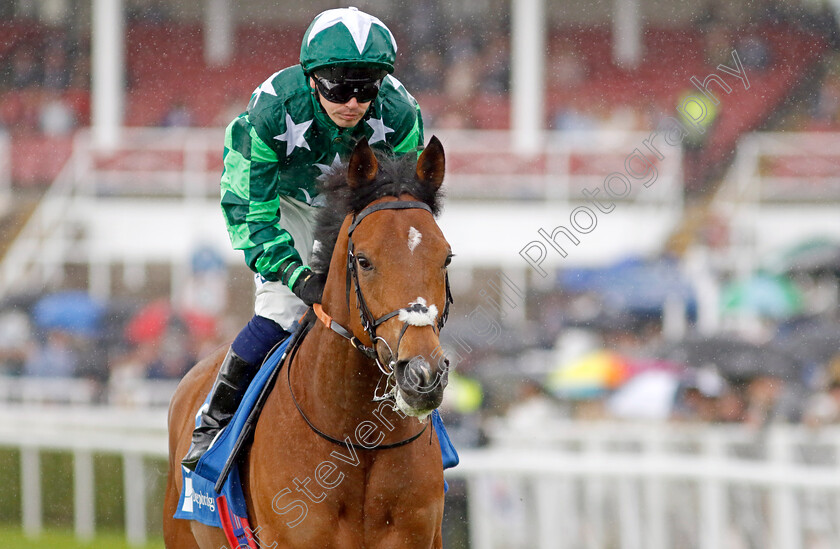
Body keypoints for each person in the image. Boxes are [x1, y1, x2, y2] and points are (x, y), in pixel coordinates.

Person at [183, 7, 425, 469]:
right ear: (312, 78)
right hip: (283, 204)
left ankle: (419, 406)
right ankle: (213, 420)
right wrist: (298, 277)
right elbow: (250, 212)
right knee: (282, 310)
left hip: (357, 205)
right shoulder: (271, 111)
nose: (352, 102)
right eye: (339, 86)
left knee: (392, 307)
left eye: (366, 87)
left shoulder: (400, 114)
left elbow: (403, 211)